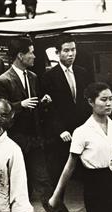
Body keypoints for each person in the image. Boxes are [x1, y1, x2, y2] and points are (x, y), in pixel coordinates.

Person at [0, 37, 78, 212]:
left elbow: (36, 107)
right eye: (30, 52)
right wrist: (18, 105)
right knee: (12, 183)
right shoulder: (3, 81)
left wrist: (43, 102)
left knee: (43, 179)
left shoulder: (33, 77)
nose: (34, 55)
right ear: (20, 55)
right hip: (13, 140)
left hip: (33, 139)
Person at [49, 82, 112, 212]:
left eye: (111, 99)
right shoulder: (81, 132)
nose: (109, 103)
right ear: (91, 102)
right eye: (103, 99)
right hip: (95, 188)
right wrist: (56, 196)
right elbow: (70, 166)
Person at [41, 34, 91, 201]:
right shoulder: (49, 76)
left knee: (88, 172)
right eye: (66, 50)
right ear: (58, 53)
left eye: (73, 50)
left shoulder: (82, 73)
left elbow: (87, 103)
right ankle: (59, 210)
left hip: (81, 132)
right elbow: (49, 109)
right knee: (59, 173)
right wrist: (60, 129)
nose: (71, 54)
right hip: (61, 134)